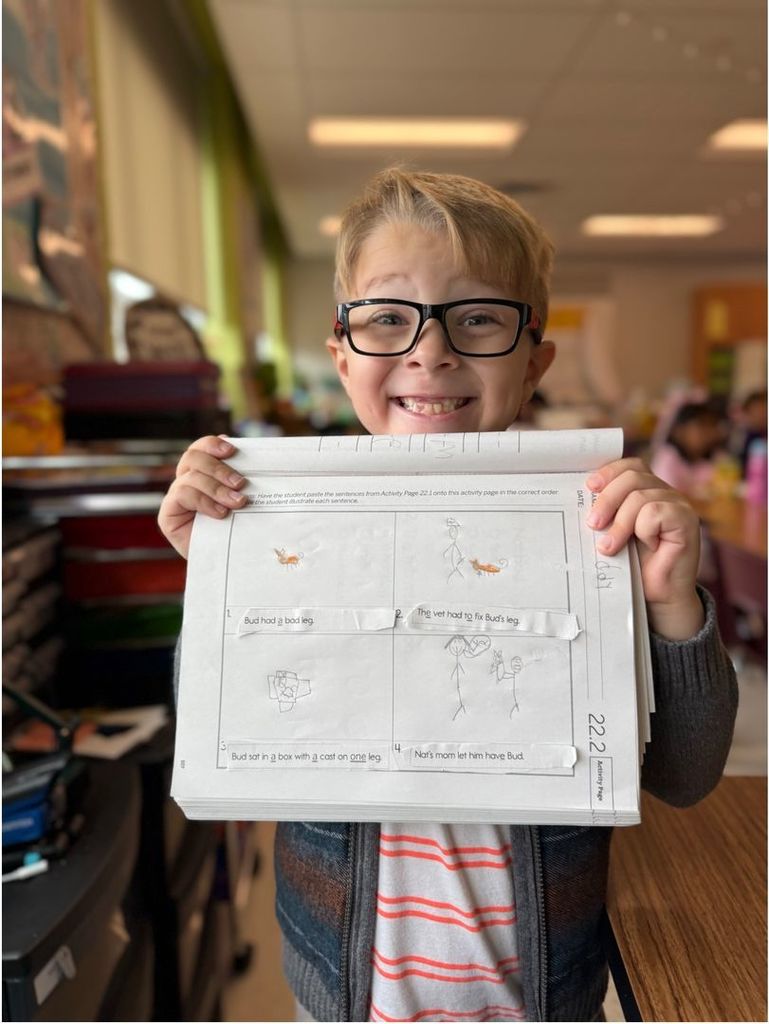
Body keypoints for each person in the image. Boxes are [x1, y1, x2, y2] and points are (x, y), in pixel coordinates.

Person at [158, 169, 737, 1022]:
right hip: (345, 991)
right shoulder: (283, 525)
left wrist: (667, 604)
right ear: (341, 354)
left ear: (534, 360)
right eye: (387, 318)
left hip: (543, 990)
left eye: (477, 319)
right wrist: (213, 582)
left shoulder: (594, 524)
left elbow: (685, 775)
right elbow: (220, 748)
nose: (429, 351)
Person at [649, 400, 726, 498]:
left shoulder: (714, 458)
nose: (709, 433)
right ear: (680, 430)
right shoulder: (668, 457)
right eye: (702, 426)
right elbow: (665, 495)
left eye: (712, 426)